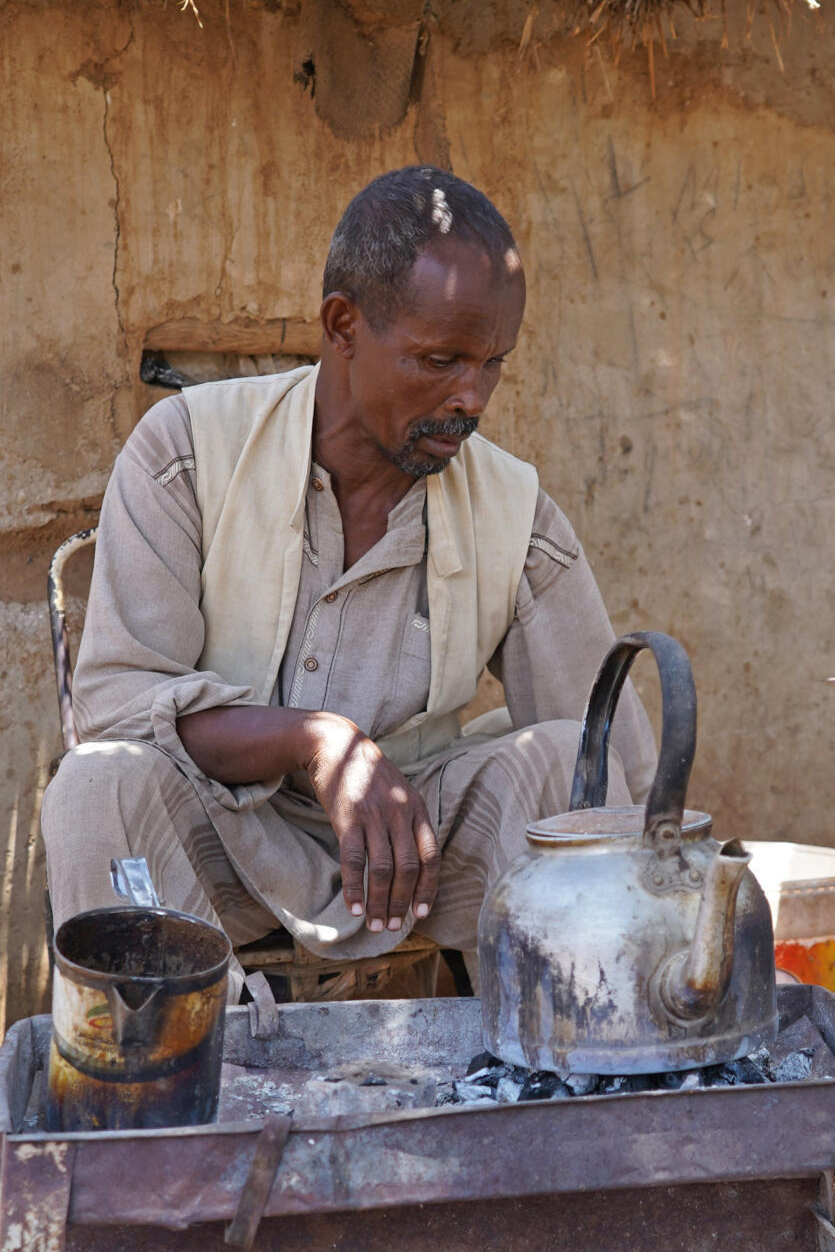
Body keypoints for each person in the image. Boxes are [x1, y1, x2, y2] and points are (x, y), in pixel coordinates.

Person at [41, 166, 651, 968]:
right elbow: (118, 709)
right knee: (95, 786)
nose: (472, 397)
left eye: (493, 363)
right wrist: (317, 742)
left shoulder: (514, 514)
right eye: (441, 360)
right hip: (222, 836)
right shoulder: (187, 452)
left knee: (571, 768)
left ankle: (567, 1039)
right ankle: (177, 1042)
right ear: (343, 326)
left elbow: (620, 773)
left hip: (412, 854)